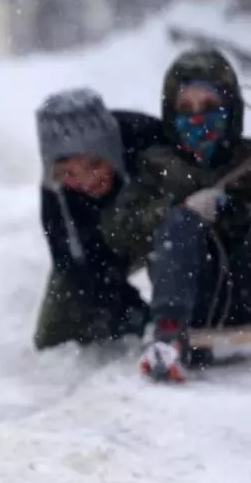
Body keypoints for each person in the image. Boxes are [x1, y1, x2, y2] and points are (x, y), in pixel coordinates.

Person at [99, 48, 251, 382]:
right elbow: (118, 230)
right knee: (181, 223)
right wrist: (177, 212)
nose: (198, 119)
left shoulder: (246, 159)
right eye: (186, 110)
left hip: (245, 288)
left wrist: (235, 208)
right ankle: (167, 341)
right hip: (190, 300)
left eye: (210, 108)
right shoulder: (157, 166)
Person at [33, 88, 169, 350]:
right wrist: (128, 309)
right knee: (54, 336)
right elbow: (73, 263)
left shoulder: (149, 140)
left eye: (95, 165)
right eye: (68, 173)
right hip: (106, 244)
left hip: (161, 228)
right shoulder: (56, 193)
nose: (86, 182)